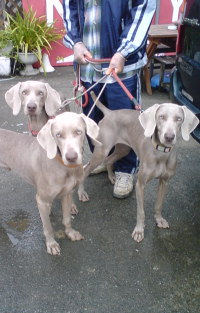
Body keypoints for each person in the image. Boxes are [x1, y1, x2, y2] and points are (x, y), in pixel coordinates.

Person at [62, 0, 156, 198]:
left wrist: (123, 51)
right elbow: (70, 11)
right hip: (87, 66)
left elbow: (142, 10)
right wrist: (76, 42)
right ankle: (104, 159)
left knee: (128, 126)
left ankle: (125, 170)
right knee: (93, 125)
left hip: (121, 66)